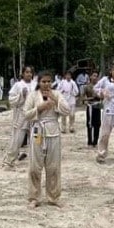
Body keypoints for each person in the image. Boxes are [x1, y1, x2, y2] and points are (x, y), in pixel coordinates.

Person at [23, 71, 71, 207]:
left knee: (54, 166)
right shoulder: (33, 96)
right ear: (39, 82)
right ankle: (34, 197)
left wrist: (55, 101)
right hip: (38, 130)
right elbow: (26, 114)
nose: (46, 84)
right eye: (43, 81)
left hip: (53, 131)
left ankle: (54, 196)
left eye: (49, 81)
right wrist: (39, 108)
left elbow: (66, 110)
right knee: (34, 166)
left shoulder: (57, 94)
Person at [3, 66, 36, 168]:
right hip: (21, 114)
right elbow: (11, 100)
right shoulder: (18, 85)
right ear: (22, 73)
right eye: (27, 72)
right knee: (17, 138)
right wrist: (22, 95)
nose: (29, 74)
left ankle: (38, 159)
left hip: (34, 114)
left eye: (30, 72)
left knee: (37, 137)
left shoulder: (36, 85)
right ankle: (9, 160)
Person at [82, 70, 102, 147]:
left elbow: (102, 96)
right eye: (94, 76)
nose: (95, 78)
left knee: (97, 124)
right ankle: (89, 141)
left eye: (96, 76)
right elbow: (82, 97)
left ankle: (95, 142)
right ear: (90, 77)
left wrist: (98, 96)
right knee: (89, 124)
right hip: (90, 106)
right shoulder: (87, 87)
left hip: (97, 106)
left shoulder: (99, 87)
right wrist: (89, 99)